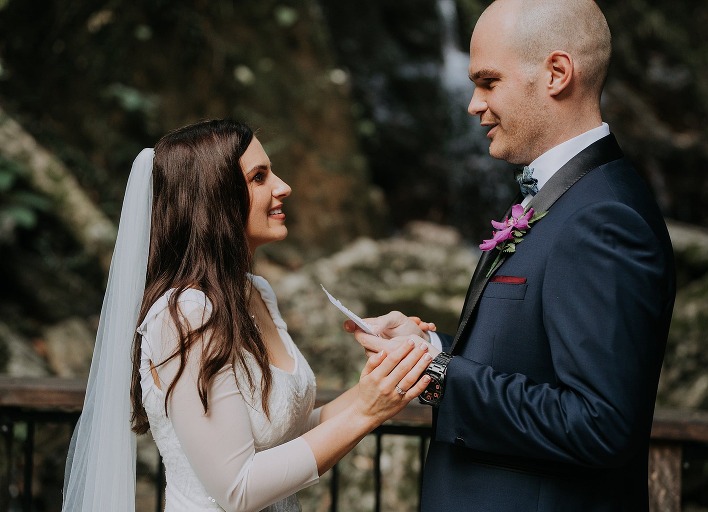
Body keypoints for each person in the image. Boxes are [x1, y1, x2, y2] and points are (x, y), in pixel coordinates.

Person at [346, 0, 676, 510]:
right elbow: (532, 357)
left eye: (488, 81)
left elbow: (599, 424)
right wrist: (428, 347)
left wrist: (438, 376)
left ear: (556, 73)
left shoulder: (604, 217)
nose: (473, 104)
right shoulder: (567, 196)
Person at [62, 119, 434, 512]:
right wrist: (365, 411)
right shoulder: (185, 314)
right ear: (214, 199)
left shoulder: (256, 293)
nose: (283, 186)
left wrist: (381, 383)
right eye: (259, 177)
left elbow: (285, 439)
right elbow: (237, 489)